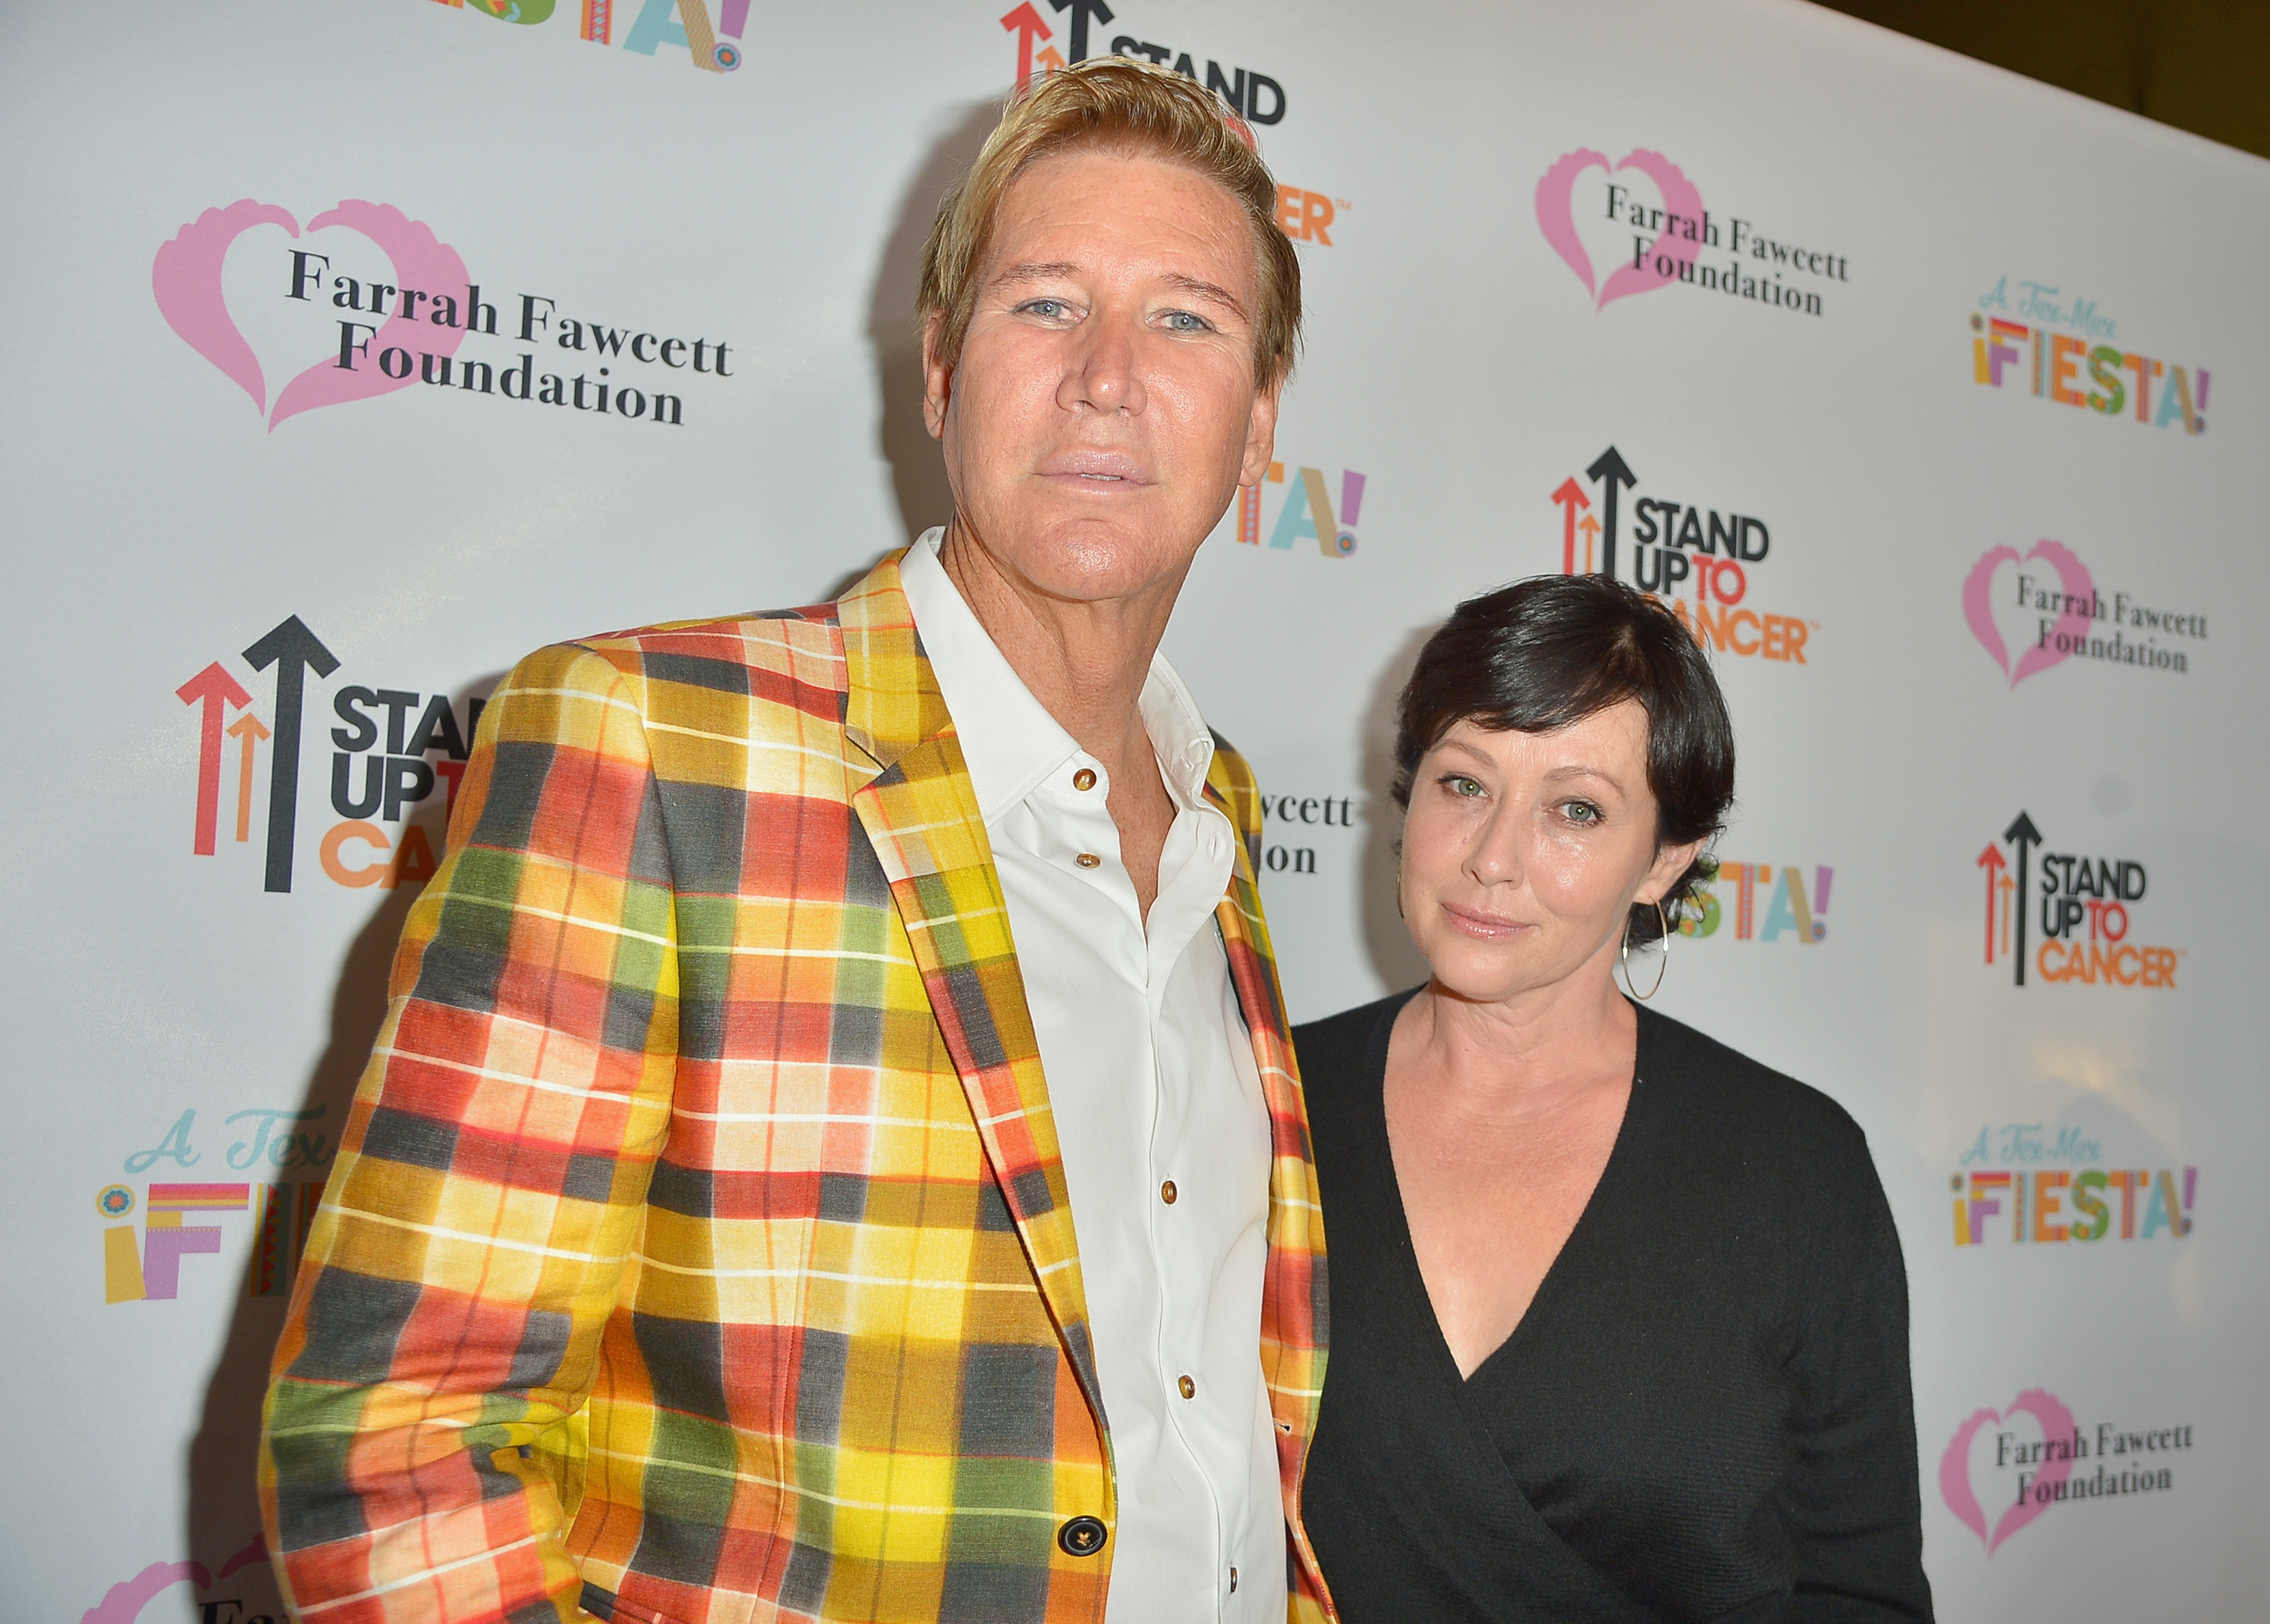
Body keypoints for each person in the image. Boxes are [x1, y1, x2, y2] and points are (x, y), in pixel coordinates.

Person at [260, 61, 1332, 1624]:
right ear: (941, 370)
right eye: (1047, 305)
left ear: (1260, 423)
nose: (1110, 374)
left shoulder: (1216, 811)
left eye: (1188, 318)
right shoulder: (652, 739)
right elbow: (394, 1448)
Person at [1296, 576, 1930, 1622]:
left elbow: (1861, 1591)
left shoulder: (1794, 1166)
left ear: (1665, 857)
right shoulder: (1266, 1100)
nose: (1493, 857)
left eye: (1575, 808)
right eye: (1464, 784)